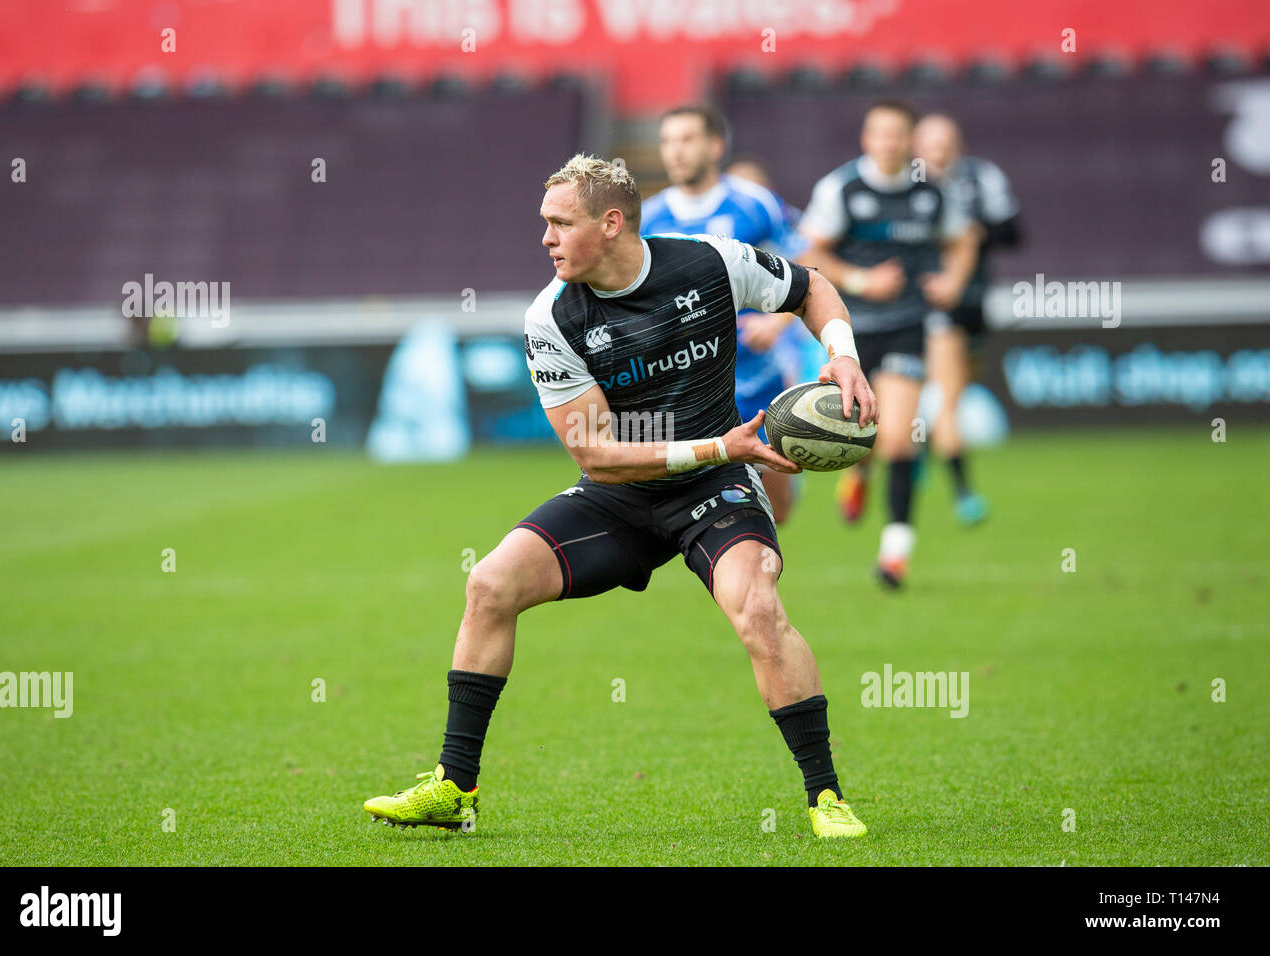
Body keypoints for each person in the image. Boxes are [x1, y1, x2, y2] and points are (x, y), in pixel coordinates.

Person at [364, 154, 877, 838]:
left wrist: (842, 356)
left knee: (756, 608)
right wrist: (719, 445)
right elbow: (594, 454)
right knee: (489, 584)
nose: (545, 238)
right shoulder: (551, 317)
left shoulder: (710, 264)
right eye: (543, 223)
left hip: (715, 488)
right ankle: (455, 788)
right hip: (622, 494)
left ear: (610, 224)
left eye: (559, 223)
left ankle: (826, 797)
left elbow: (812, 288)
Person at [798, 100, 978, 589]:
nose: (890, 143)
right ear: (867, 139)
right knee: (864, 435)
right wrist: (860, 279)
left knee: (898, 436)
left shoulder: (932, 192)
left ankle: (895, 551)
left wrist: (954, 280)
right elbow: (809, 249)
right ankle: (859, 472)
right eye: (881, 134)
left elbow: (964, 238)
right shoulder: (843, 189)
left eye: (899, 134)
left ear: (911, 141)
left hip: (906, 326)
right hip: (846, 329)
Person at [642, 106, 811, 525]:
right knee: (713, 507)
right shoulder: (647, 218)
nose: (676, 151)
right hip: (687, 383)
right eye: (667, 141)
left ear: (715, 145)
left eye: (687, 139)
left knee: (775, 510)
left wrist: (777, 322)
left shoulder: (755, 205)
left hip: (757, 375)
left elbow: (805, 270)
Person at [914, 113, 1023, 525]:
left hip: (972, 300)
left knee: (954, 386)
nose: (938, 152)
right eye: (929, 143)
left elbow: (1013, 232)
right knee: (946, 396)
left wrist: (973, 234)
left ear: (958, 145)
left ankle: (916, 448)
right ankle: (963, 494)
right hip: (923, 305)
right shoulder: (904, 188)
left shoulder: (981, 178)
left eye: (945, 143)